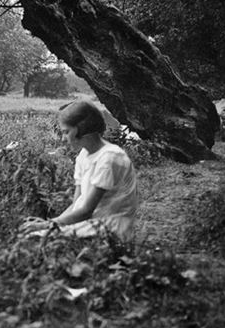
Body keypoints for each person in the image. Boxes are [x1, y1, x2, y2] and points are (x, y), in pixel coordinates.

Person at [22, 100, 138, 239]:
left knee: (34, 238)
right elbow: (77, 205)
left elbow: (86, 211)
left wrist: (47, 225)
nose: (64, 138)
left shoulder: (109, 158)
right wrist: (52, 224)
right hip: (92, 223)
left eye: (66, 132)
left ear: (80, 130)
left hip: (112, 228)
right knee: (32, 234)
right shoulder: (83, 156)